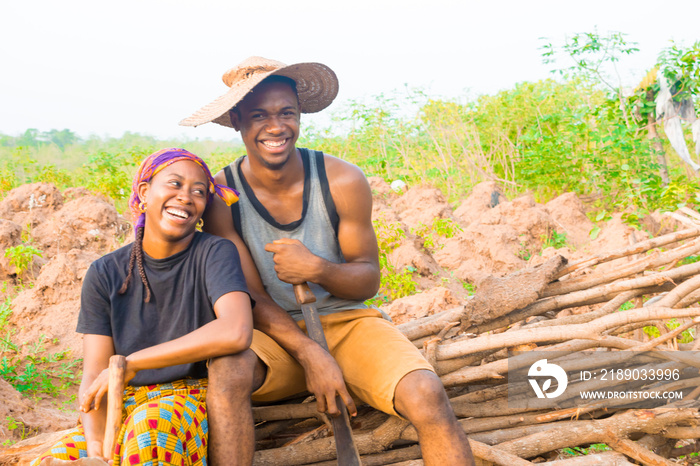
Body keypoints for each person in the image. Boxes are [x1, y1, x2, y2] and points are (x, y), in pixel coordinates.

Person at [180, 57, 476, 465]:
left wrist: (317, 269)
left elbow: (367, 279)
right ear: (237, 121)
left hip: (346, 323)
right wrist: (310, 353)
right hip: (270, 337)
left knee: (426, 393)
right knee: (228, 372)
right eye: (259, 115)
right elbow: (246, 295)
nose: (276, 127)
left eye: (287, 113)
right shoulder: (221, 196)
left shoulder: (341, 180)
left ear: (299, 115)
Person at [32, 148, 256, 466]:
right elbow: (97, 373)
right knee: (56, 459)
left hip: (185, 397)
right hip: (124, 403)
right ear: (144, 192)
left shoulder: (215, 252)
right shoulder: (104, 272)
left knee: (152, 430)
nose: (186, 197)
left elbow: (236, 330)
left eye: (198, 191)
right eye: (174, 184)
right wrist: (97, 448)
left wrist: (133, 363)